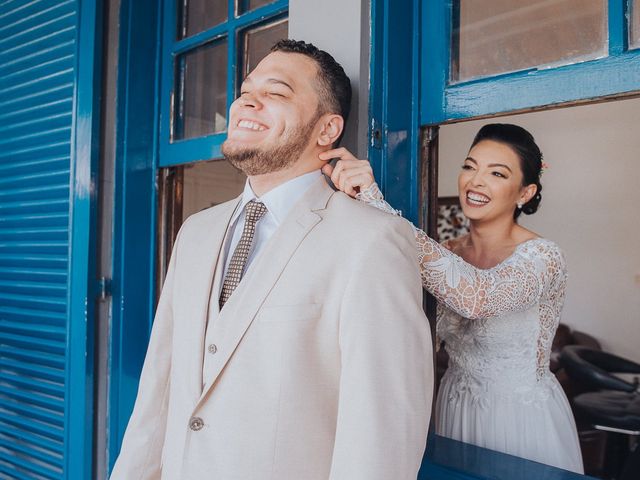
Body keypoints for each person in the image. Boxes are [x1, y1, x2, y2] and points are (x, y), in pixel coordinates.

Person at [110, 40, 433, 480]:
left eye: (276, 92)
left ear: (327, 129)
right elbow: (159, 388)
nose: (246, 100)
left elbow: (380, 438)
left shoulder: (373, 242)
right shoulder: (195, 233)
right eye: (246, 90)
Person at [321, 124, 584, 473]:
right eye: (470, 166)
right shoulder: (446, 252)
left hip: (518, 418)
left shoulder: (544, 257)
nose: (476, 181)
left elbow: (477, 298)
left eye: (497, 173)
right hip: (454, 406)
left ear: (525, 192)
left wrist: (375, 202)